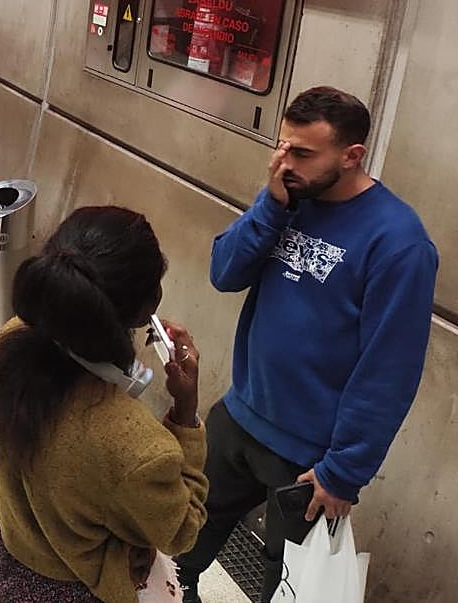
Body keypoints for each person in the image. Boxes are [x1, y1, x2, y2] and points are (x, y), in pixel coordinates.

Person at [177, 87, 437, 603]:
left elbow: (388, 371)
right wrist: (271, 208)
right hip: (241, 415)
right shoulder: (289, 199)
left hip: (307, 458)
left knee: (285, 586)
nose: (283, 163)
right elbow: (224, 273)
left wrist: (343, 473)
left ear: (352, 155)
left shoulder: (399, 243)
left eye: (301, 153)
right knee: (181, 540)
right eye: (281, 146)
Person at [0, 206, 207, 603]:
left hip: (12, 559)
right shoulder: (137, 445)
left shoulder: (12, 340)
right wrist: (186, 411)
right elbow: (181, 532)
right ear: (147, 308)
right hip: (77, 589)